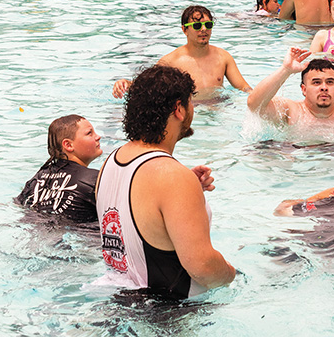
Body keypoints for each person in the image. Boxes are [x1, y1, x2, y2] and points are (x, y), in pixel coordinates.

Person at [97, 64, 235, 299]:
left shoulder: (111, 161)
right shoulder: (171, 177)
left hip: (119, 299)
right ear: (178, 109)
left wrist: (184, 190)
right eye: (190, 102)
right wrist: (232, 274)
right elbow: (203, 267)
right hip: (172, 313)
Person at [113, 6, 252, 100]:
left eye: (208, 25)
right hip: (191, 115)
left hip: (220, 112)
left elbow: (243, 88)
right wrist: (126, 83)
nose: (204, 29)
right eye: (197, 26)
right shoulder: (171, 61)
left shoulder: (223, 57)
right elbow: (147, 85)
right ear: (185, 30)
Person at [15, 114, 102, 223]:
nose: (98, 137)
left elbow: (18, 205)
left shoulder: (36, 180)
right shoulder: (95, 179)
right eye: (89, 133)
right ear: (68, 145)